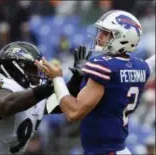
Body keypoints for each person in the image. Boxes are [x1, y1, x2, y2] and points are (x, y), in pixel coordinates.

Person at [35, 10, 155, 154]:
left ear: (123, 37)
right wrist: (77, 78)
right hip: (119, 149)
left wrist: (57, 78)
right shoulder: (140, 66)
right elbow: (151, 63)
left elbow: (74, 112)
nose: (99, 36)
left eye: (106, 33)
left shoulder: (103, 65)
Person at [0, 41, 89, 154]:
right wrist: (49, 87)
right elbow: (4, 105)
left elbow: (63, 103)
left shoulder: (31, 94)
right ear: (16, 67)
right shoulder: (1, 87)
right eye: (32, 69)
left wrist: (77, 79)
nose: (37, 74)